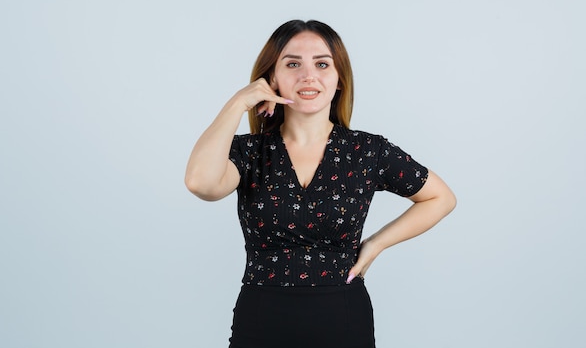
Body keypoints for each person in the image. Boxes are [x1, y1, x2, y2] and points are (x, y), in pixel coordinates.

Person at [185, 19, 456, 348]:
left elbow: (441, 198)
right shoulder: (248, 152)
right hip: (260, 322)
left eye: (322, 64)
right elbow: (200, 183)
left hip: (342, 319)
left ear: (339, 78)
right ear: (272, 78)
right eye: (293, 64)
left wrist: (376, 244)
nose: (308, 76)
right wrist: (239, 102)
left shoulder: (367, 150)